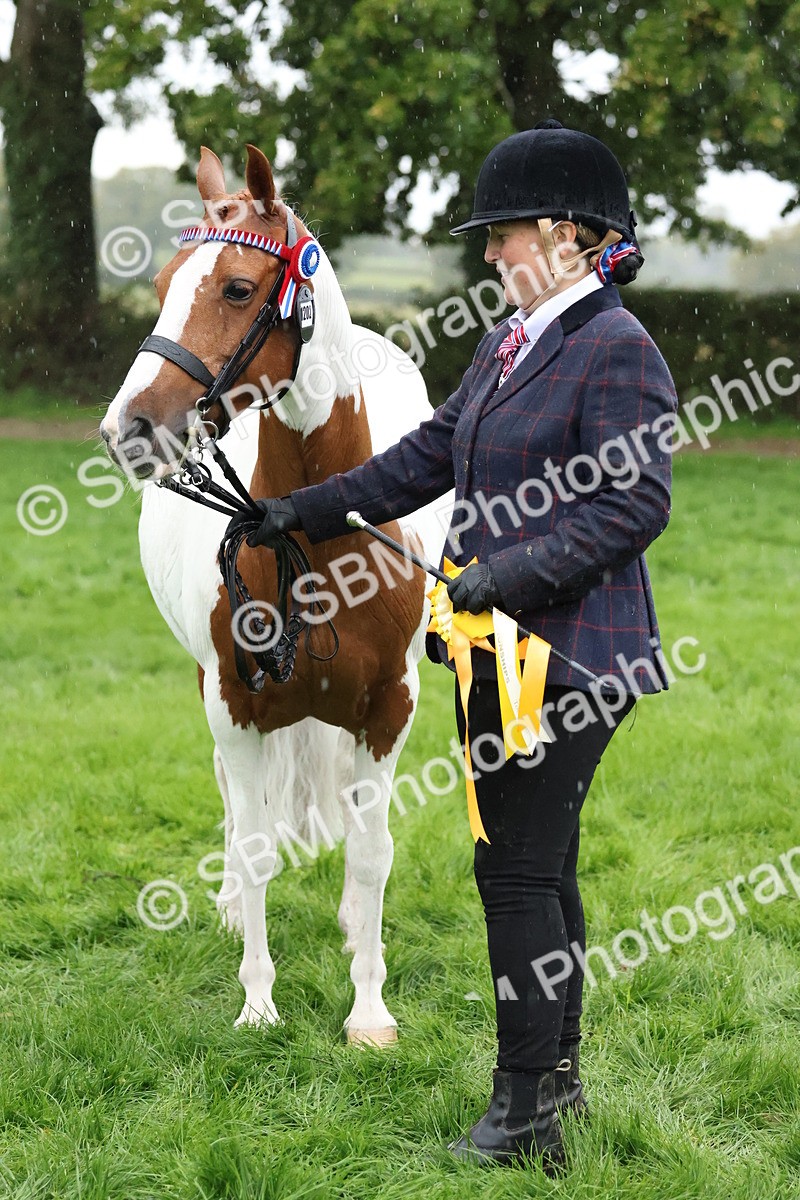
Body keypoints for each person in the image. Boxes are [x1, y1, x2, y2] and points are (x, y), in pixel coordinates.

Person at [236, 119, 678, 1170]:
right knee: (539, 867)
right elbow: (424, 460)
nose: (486, 254)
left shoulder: (616, 348)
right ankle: (552, 1092)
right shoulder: (507, 340)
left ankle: (523, 1115)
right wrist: (295, 511)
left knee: (513, 872)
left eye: (501, 234)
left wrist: (504, 575)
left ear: (565, 234)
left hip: (565, 656)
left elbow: (631, 505)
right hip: (493, 648)